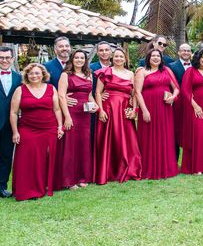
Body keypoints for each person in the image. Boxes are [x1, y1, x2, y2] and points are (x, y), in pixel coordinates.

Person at [10, 63, 64, 201]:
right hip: (27, 128)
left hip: (49, 128)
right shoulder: (20, 90)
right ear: (27, 75)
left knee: (45, 157)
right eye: (31, 73)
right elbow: (14, 112)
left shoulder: (51, 88)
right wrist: (15, 132)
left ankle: (44, 186)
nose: (34, 76)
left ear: (43, 75)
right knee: (26, 159)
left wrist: (59, 127)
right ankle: (27, 189)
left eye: (37, 73)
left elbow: (57, 109)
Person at [94, 48, 142, 185]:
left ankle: (128, 168)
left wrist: (134, 110)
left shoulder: (131, 74)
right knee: (110, 139)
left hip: (124, 110)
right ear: (112, 58)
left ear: (125, 59)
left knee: (126, 139)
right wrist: (100, 110)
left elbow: (134, 94)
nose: (119, 59)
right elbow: (98, 92)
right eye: (116, 56)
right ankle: (109, 170)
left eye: (121, 56)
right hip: (109, 109)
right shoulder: (105, 72)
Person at [134, 50, 179, 180]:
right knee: (149, 137)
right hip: (149, 108)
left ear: (161, 58)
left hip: (165, 109)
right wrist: (144, 110)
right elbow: (137, 92)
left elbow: (176, 88)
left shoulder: (166, 71)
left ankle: (166, 168)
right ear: (148, 58)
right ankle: (149, 169)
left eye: (158, 56)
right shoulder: (141, 72)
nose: (155, 58)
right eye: (153, 56)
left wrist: (173, 97)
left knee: (165, 136)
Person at [56, 50, 96, 190]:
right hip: (71, 113)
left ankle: (82, 177)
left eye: (82, 58)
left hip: (85, 114)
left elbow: (89, 95)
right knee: (70, 145)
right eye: (77, 57)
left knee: (83, 144)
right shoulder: (65, 75)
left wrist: (95, 105)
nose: (79, 60)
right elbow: (61, 96)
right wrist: (67, 116)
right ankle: (69, 180)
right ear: (72, 59)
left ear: (85, 60)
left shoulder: (88, 75)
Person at [0, 46, 21, 198]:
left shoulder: (19, 78)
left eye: (7, 57)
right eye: (1, 58)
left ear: (13, 59)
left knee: (6, 156)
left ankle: (2, 187)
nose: (5, 60)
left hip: (9, 124)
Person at [168, 43, 193, 161]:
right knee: (176, 130)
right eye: (183, 50)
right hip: (178, 103)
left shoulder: (196, 66)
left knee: (191, 130)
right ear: (178, 52)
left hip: (193, 102)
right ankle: (174, 159)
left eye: (188, 50)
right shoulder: (171, 66)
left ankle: (191, 159)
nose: (186, 53)